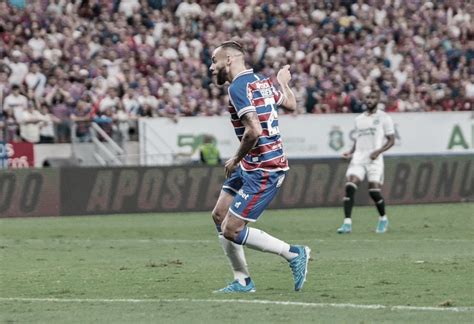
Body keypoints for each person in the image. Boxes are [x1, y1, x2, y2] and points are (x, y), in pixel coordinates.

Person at [209, 41, 310, 293]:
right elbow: (290, 104)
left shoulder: (238, 87)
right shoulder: (261, 82)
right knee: (219, 215)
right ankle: (243, 281)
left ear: (229, 60)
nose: (211, 67)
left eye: (214, 61)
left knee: (231, 229)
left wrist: (234, 159)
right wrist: (283, 82)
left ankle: (294, 254)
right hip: (252, 164)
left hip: (265, 167)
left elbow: (253, 131)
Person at [337, 86, 395, 234]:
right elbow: (358, 139)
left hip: (374, 159)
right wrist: (350, 152)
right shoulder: (359, 119)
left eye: (372, 98)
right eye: (367, 98)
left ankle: (383, 219)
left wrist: (378, 151)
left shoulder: (384, 118)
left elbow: (391, 140)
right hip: (358, 158)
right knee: (350, 186)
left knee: (374, 191)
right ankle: (347, 223)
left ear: (377, 100)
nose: (369, 100)